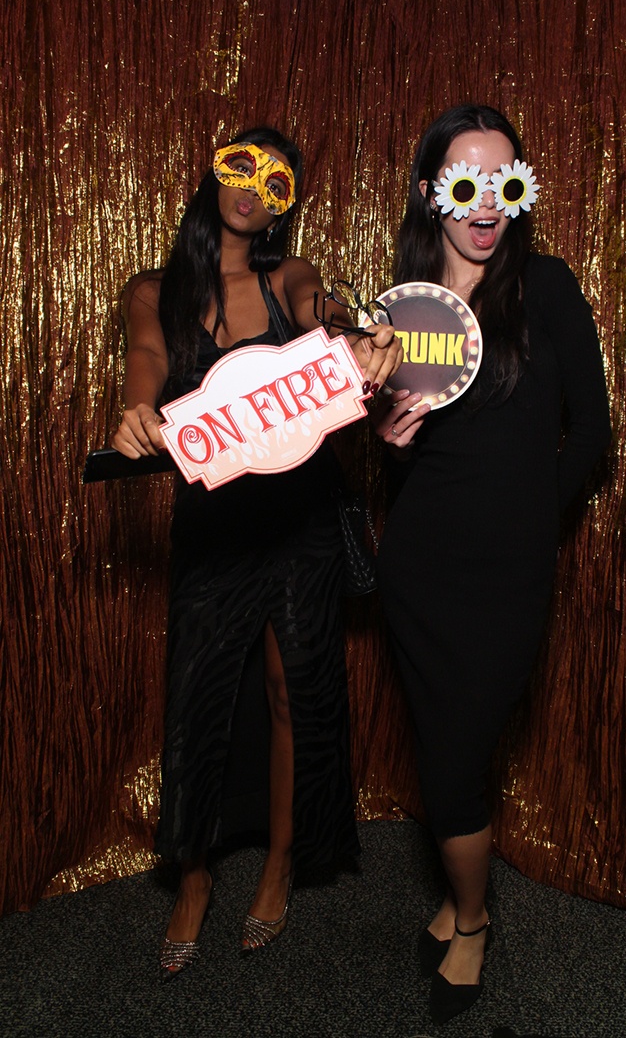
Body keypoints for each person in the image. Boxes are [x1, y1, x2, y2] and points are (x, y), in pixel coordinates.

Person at [111, 127, 401, 978]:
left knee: (292, 690)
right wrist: (136, 410)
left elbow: (322, 311)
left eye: (277, 181)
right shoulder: (154, 290)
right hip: (214, 521)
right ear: (212, 174)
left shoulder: (287, 277)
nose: (254, 186)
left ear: (284, 207)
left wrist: (359, 335)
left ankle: (279, 863)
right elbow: (147, 357)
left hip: (301, 514)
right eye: (241, 165)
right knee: (198, 695)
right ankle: (194, 878)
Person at [374, 105, 611, 1026]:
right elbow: (406, 460)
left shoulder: (545, 287)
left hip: (506, 574)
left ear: (520, 191)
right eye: (465, 182)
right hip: (419, 568)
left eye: (503, 183)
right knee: (441, 750)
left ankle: (471, 920)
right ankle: (458, 900)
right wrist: (392, 446)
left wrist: (531, 522)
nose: (486, 204)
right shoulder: (404, 307)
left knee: (455, 762)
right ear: (430, 192)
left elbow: (590, 434)